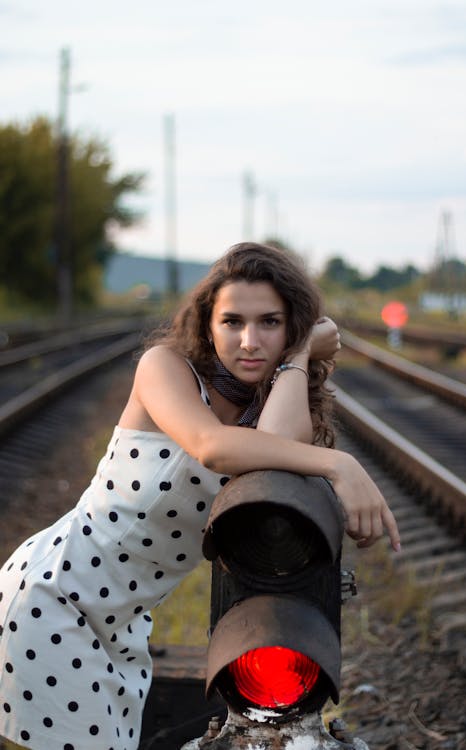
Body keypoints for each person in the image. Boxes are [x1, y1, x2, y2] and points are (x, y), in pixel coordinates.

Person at [0, 242, 400, 750]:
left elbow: (269, 448)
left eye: (271, 323)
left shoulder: (267, 406)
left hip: (123, 627)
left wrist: (297, 355)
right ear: (208, 325)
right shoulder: (163, 367)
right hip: (55, 600)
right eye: (232, 321)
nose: (249, 341)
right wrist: (341, 464)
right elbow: (212, 447)